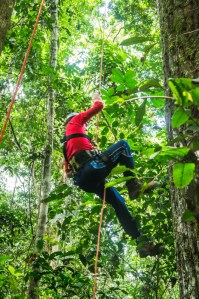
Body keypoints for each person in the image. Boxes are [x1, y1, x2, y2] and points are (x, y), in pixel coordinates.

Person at [61, 93, 164, 258]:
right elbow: (98, 106)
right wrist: (96, 97)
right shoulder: (75, 122)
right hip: (92, 169)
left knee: (118, 202)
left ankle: (141, 242)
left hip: (85, 181)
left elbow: (68, 172)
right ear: (75, 120)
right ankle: (133, 186)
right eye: (84, 125)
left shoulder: (66, 146)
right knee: (123, 146)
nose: (85, 128)